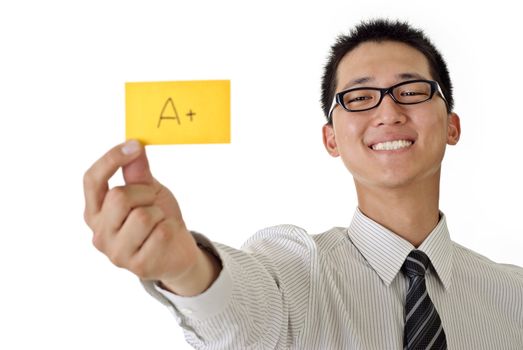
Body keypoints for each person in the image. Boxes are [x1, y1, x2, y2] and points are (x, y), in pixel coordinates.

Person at [83, 19, 523, 349]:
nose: (388, 113)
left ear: (451, 125)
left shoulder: (513, 296)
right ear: (331, 138)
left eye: (410, 91)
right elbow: (242, 313)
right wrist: (185, 268)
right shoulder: (296, 269)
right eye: (360, 97)